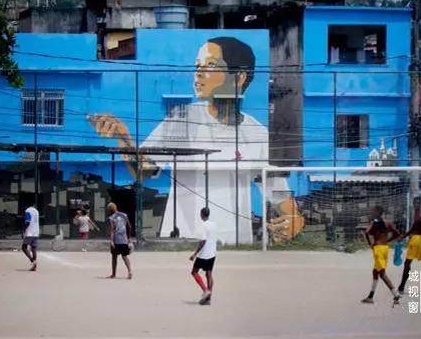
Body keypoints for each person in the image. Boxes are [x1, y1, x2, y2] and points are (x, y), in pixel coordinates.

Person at [88, 37, 299, 244]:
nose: (198, 72)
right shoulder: (182, 119)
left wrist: (294, 217)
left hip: (235, 244)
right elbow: (144, 170)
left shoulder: (257, 134)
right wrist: (124, 139)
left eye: (210, 65)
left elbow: (277, 189)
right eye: (197, 65)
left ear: (239, 77)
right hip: (181, 243)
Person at [361, 205, 401, 305]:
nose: (372, 212)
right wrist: (388, 240)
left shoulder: (374, 222)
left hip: (378, 249)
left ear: (378, 212)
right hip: (385, 248)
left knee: (382, 274)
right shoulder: (388, 223)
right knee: (375, 272)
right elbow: (397, 234)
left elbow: (366, 232)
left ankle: (396, 294)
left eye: (373, 211)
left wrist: (370, 244)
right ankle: (370, 297)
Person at [397, 196, 421, 295]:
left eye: (418, 203)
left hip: (417, 241)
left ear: (420, 204)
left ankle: (401, 287)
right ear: (413, 204)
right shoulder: (417, 214)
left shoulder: (420, 216)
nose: (416, 205)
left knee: (408, 263)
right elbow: (413, 228)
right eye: (415, 203)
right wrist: (404, 236)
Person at [189, 207, 217, 305]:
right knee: (209, 274)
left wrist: (195, 254)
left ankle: (205, 290)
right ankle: (208, 299)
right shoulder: (214, 224)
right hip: (212, 253)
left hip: (204, 255)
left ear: (201, 214)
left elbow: (203, 241)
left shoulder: (203, 226)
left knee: (194, 272)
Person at [107, 202, 133, 279]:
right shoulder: (124, 215)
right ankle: (130, 271)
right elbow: (130, 227)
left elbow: (112, 230)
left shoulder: (111, 218)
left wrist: (111, 240)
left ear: (109, 210)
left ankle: (113, 274)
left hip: (116, 239)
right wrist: (129, 238)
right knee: (125, 256)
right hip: (124, 239)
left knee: (114, 257)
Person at [22, 203, 40, 271]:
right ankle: (34, 266)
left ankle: (32, 261)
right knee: (33, 248)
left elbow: (28, 221)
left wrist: (24, 230)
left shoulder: (28, 210)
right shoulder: (36, 211)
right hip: (36, 232)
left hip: (30, 232)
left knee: (24, 247)